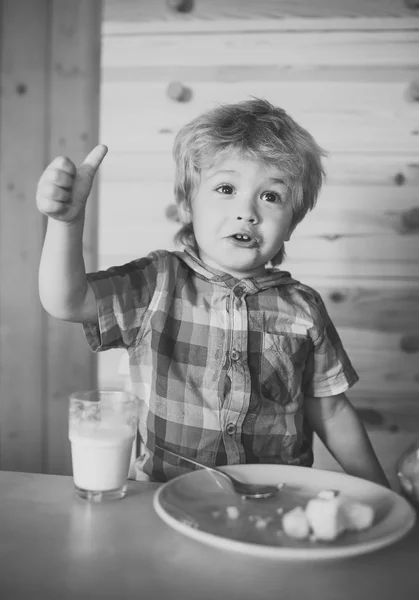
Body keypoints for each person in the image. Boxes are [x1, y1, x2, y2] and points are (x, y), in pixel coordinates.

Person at [37, 98, 389, 486]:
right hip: (163, 497)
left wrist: (381, 493)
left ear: (291, 224)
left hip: (272, 500)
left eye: (271, 196)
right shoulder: (157, 282)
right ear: (187, 205)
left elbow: (332, 410)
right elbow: (66, 301)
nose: (248, 211)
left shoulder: (303, 308)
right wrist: (66, 224)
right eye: (226, 188)